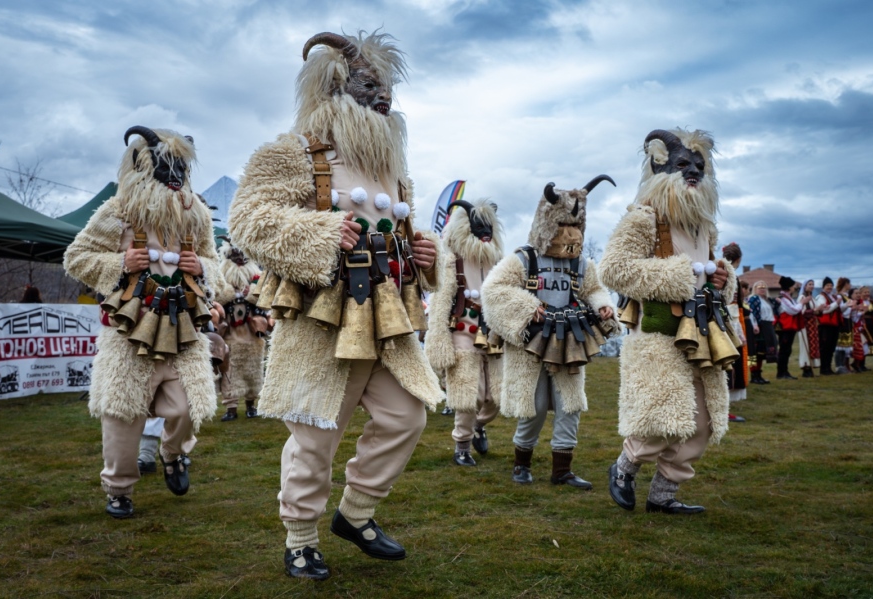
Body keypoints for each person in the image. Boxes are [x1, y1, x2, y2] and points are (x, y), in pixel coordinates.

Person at [228, 31, 443, 581]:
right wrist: (323, 234)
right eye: (371, 85)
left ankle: (356, 514)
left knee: (407, 416)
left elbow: (401, 236)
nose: (384, 97)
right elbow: (248, 218)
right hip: (323, 319)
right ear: (338, 86)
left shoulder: (393, 171)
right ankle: (300, 537)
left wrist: (423, 254)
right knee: (316, 434)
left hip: (387, 319)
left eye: (387, 86)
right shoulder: (292, 151)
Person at [63, 126, 221, 518]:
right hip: (127, 335)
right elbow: (76, 257)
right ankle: (118, 489)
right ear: (145, 165)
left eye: (180, 167)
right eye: (166, 165)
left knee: (187, 407)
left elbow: (214, 264)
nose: (174, 176)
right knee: (123, 414)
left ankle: (173, 454)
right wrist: (119, 263)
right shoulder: (118, 211)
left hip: (182, 328)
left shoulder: (195, 215)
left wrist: (201, 266)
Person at [599, 128, 737, 515]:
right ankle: (624, 466)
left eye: (698, 165)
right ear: (661, 166)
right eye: (682, 164)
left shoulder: (704, 225)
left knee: (704, 421)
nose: (692, 171)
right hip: (659, 332)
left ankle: (663, 494)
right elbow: (614, 269)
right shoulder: (643, 217)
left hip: (704, 329)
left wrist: (724, 278)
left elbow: (713, 273)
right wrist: (677, 275)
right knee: (663, 415)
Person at [483, 178, 617, 490]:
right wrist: (527, 308)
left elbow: (594, 289)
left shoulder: (581, 263)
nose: (569, 233)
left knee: (570, 404)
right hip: (530, 341)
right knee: (535, 405)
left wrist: (603, 306)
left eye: (574, 225)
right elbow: (494, 290)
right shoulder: (524, 259)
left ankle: (562, 470)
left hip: (570, 339)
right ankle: (522, 463)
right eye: (562, 225)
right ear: (547, 223)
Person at [425, 198, 504, 467]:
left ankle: (478, 426)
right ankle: (462, 446)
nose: (484, 233)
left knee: (495, 397)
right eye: (478, 226)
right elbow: (439, 302)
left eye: (488, 226)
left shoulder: (498, 261)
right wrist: (438, 342)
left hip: (492, 333)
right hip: (462, 330)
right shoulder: (451, 261)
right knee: (469, 395)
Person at [215, 237, 268, 421]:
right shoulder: (222, 281)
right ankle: (231, 407)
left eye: (242, 255)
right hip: (230, 334)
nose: (238, 259)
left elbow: (265, 299)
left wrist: (250, 294)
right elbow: (216, 298)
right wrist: (231, 293)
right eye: (234, 255)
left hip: (252, 335)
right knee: (230, 371)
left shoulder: (257, 280)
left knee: (253, 370)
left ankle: (251, 405)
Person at [721, 243, 746, 422]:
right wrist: (738, 331)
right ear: (738, 259)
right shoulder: (731, 275)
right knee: (729, 365)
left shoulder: (718, 270)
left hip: (721, 319)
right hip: (728, 322)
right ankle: (723, 410)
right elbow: (731, 306)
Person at [748, 281, 776, 384]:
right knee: (754, 352)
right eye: (760, 287)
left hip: (767, 327)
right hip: (759, 327)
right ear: (755, 288)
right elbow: (751, 313)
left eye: (764, 287)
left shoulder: (767, 300)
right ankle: (753, 375)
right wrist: (754, 325)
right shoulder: (754, 299)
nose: (762, 289)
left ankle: (759, 375)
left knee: (761, 353)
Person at [814, 276, 842, 376]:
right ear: (823, 287)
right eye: (827, 285)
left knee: (831, 347)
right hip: (825, 325)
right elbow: (825, 310)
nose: (829, 287)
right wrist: (836, 304)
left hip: (834, 324)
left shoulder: (832, 297)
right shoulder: (821, 297)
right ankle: (823, 368)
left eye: (831, 285)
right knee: (825, 347)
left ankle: (828, 367)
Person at [776, 276, 802, 380]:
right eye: (793, 286)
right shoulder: (783, 299)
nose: (794, 287)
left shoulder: (788, 298)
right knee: (784, 350)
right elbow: (793, 310)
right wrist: (802, 303)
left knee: (786, 350)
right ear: (789, 287)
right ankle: (782, 372)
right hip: (785, 327)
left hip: (789, 327)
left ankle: (784, 371)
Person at [797, 279, 820, 378]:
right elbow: (802, 312)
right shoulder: (802, 297)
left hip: (812, 325)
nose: (811, 286)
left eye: (813, 284)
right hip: (805, 325)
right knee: (805, 345)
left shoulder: (812, 298)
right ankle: (806, 367)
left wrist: (820, 310)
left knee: (812, 345)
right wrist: (814, 310)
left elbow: (815, 311)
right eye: (809, 284)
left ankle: (811, 366)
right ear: (805, 286)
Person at [834, 277, 854, 373]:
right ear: (845, 284)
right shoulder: (839, 296)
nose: (850, 286)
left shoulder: (846, 296)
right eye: (849, 284)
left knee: (845, 345)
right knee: (840, 345)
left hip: (848, 321)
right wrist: (847, 305)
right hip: (842, 321)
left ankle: (843, 365)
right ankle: (839, 366)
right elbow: (839, 309)